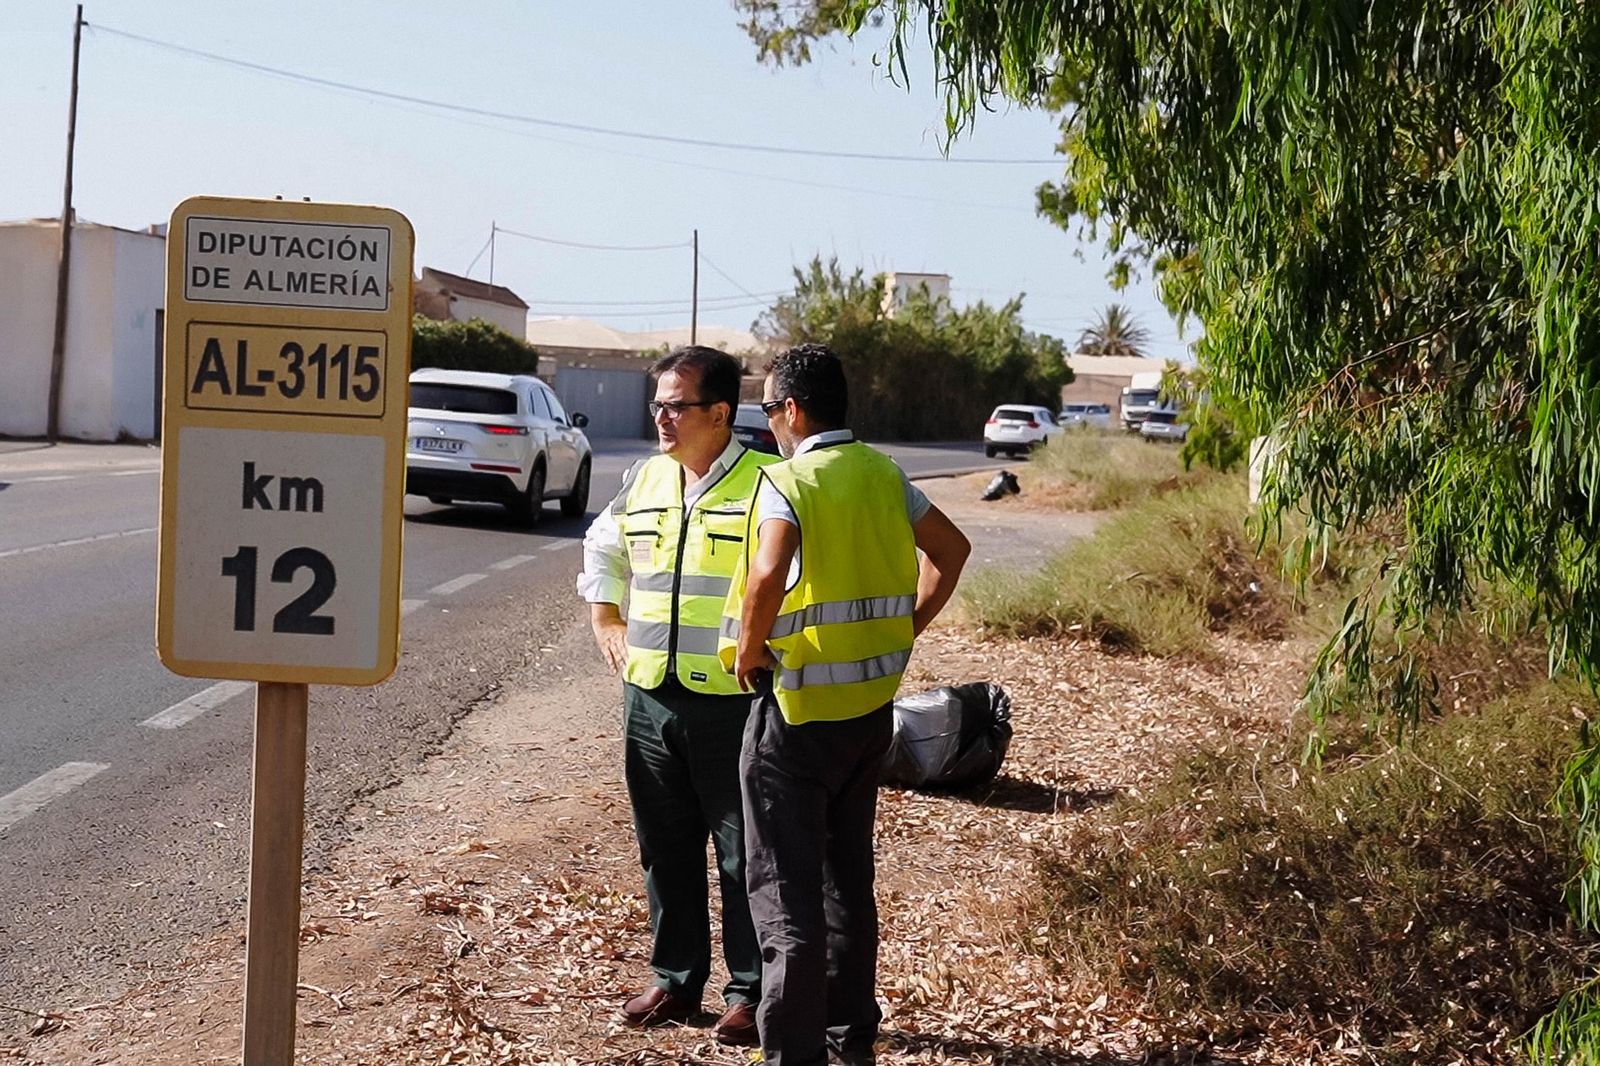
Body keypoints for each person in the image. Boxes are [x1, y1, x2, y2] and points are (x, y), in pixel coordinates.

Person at [718, 343, 971, 1065]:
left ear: (793, 410)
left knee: (781, 891)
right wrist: (908, 626)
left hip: (794, 716)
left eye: (767, 409)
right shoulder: (885, 475)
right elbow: (952, 552)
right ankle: (849, 1034)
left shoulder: (788, 482)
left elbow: (767, 575)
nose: (767, 425)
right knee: (846, 881)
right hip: (868, 715)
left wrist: (747, 649)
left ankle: (795, 1055)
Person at [575, 345, 777, 1047]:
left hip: (734, 702)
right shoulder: (646, 478)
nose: (661, 416)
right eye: (657, 404)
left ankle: (750, 992)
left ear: (719, 413)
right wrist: (606, 619)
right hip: (650, 700)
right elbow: (601, 549)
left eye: (675, 405)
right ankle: (675, 978)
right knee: (663, 846)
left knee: (742, 854)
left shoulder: (768, 485)